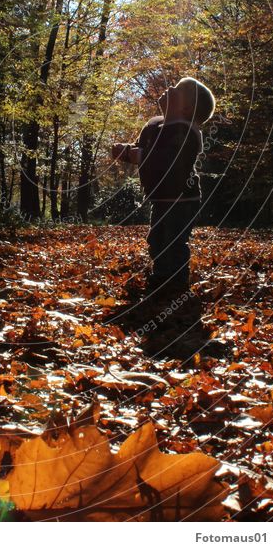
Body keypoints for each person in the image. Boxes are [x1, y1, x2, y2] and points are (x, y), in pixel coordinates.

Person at [112, 76, 226, 359]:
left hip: (182, 199)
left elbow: (164, 157)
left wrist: (138, 155)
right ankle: (162, 273)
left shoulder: (186, 131)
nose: (170, 88)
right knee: (157, 236)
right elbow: (148, 151)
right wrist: (127, 152)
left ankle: (173, 280)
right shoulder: (162, 128)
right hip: (163, 198)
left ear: (187, 110)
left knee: (173, 239)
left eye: (179, 91)